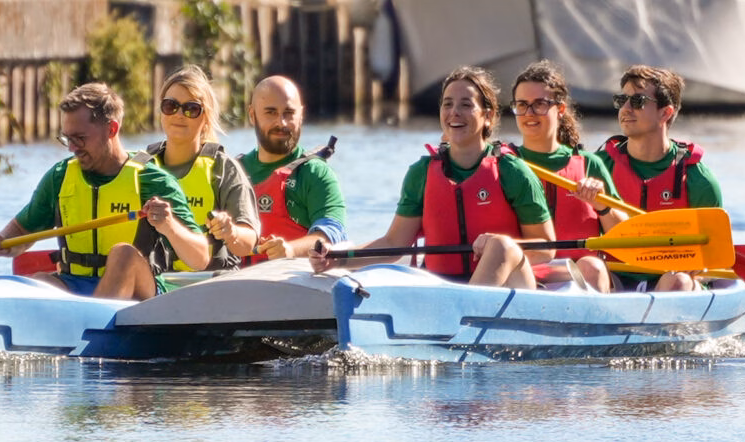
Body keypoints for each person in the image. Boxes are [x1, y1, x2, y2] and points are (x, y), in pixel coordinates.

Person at [311, 66, 554, 287]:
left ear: (488, 116)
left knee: (501, 246)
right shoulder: (421, 173)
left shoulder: (512, 171)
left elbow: (545, 248)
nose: (454, 113)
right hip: (443, 288)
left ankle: (462, 318)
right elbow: (394, 243)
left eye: (466, 105)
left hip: (511, 287)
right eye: (447, 104)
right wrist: (337, 259)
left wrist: (498, 246)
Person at [0, 83, 207, 300]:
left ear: (112, 129)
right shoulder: (59, 177)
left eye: (80, 138)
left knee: (123, 255)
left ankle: (92, 325)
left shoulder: (153, 180)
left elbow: (200, 258)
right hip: (74, 284)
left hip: (140, 297)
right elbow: (20, 234)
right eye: (67, 138)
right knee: (40, 283)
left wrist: (169, 226)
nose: (72, 147)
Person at [594, 65, 722, 294]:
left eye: (638, 101)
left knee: (679, 282)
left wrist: (700, 267)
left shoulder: (698, 180)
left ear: (665, 113)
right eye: (621, 100)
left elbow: (714, 262)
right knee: (588, 268)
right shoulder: (597, 166)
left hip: (671, 281)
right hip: (613, 279)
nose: (625, 109)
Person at [133, 65, 259, 273]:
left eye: (191, 109)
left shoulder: (223, 168)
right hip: (154, 284)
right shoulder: (139, 166)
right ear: (161, 113)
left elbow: (248, 242)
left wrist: (230, 232)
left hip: (207, 284)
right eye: (170, 106)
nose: (179, 115)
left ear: (206, 118)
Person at [507, 60, 619, 292]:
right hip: (527, 273)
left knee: (592, 266)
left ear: (560, 109)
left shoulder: (590, 163)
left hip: (581, 275)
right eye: (522, 105)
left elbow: (623, 234)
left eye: (539, 104)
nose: (529, 113)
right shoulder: (506, 163)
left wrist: (602, 205)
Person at [237, 75, 347, 263]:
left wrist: (290, 250)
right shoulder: (233, 171)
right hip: (239, 285)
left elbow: (332, 233)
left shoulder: (315, 173)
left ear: (301, 115)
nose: (282, 123)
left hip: (294, 281)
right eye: (270, 112)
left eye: (289, 113)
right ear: (252, 115)